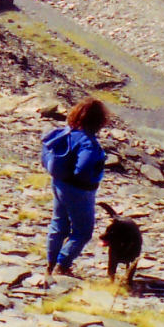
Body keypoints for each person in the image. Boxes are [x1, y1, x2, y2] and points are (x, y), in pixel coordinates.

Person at [41, 96, 109, 282]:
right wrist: (87, 180)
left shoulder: (65, 133)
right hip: (79, 190)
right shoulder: (88, 142)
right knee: (83, 231)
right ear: (97, 121)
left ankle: (50, 265)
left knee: (58, 224)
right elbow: (84, 168)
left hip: (58, 183)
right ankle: (63, 266)